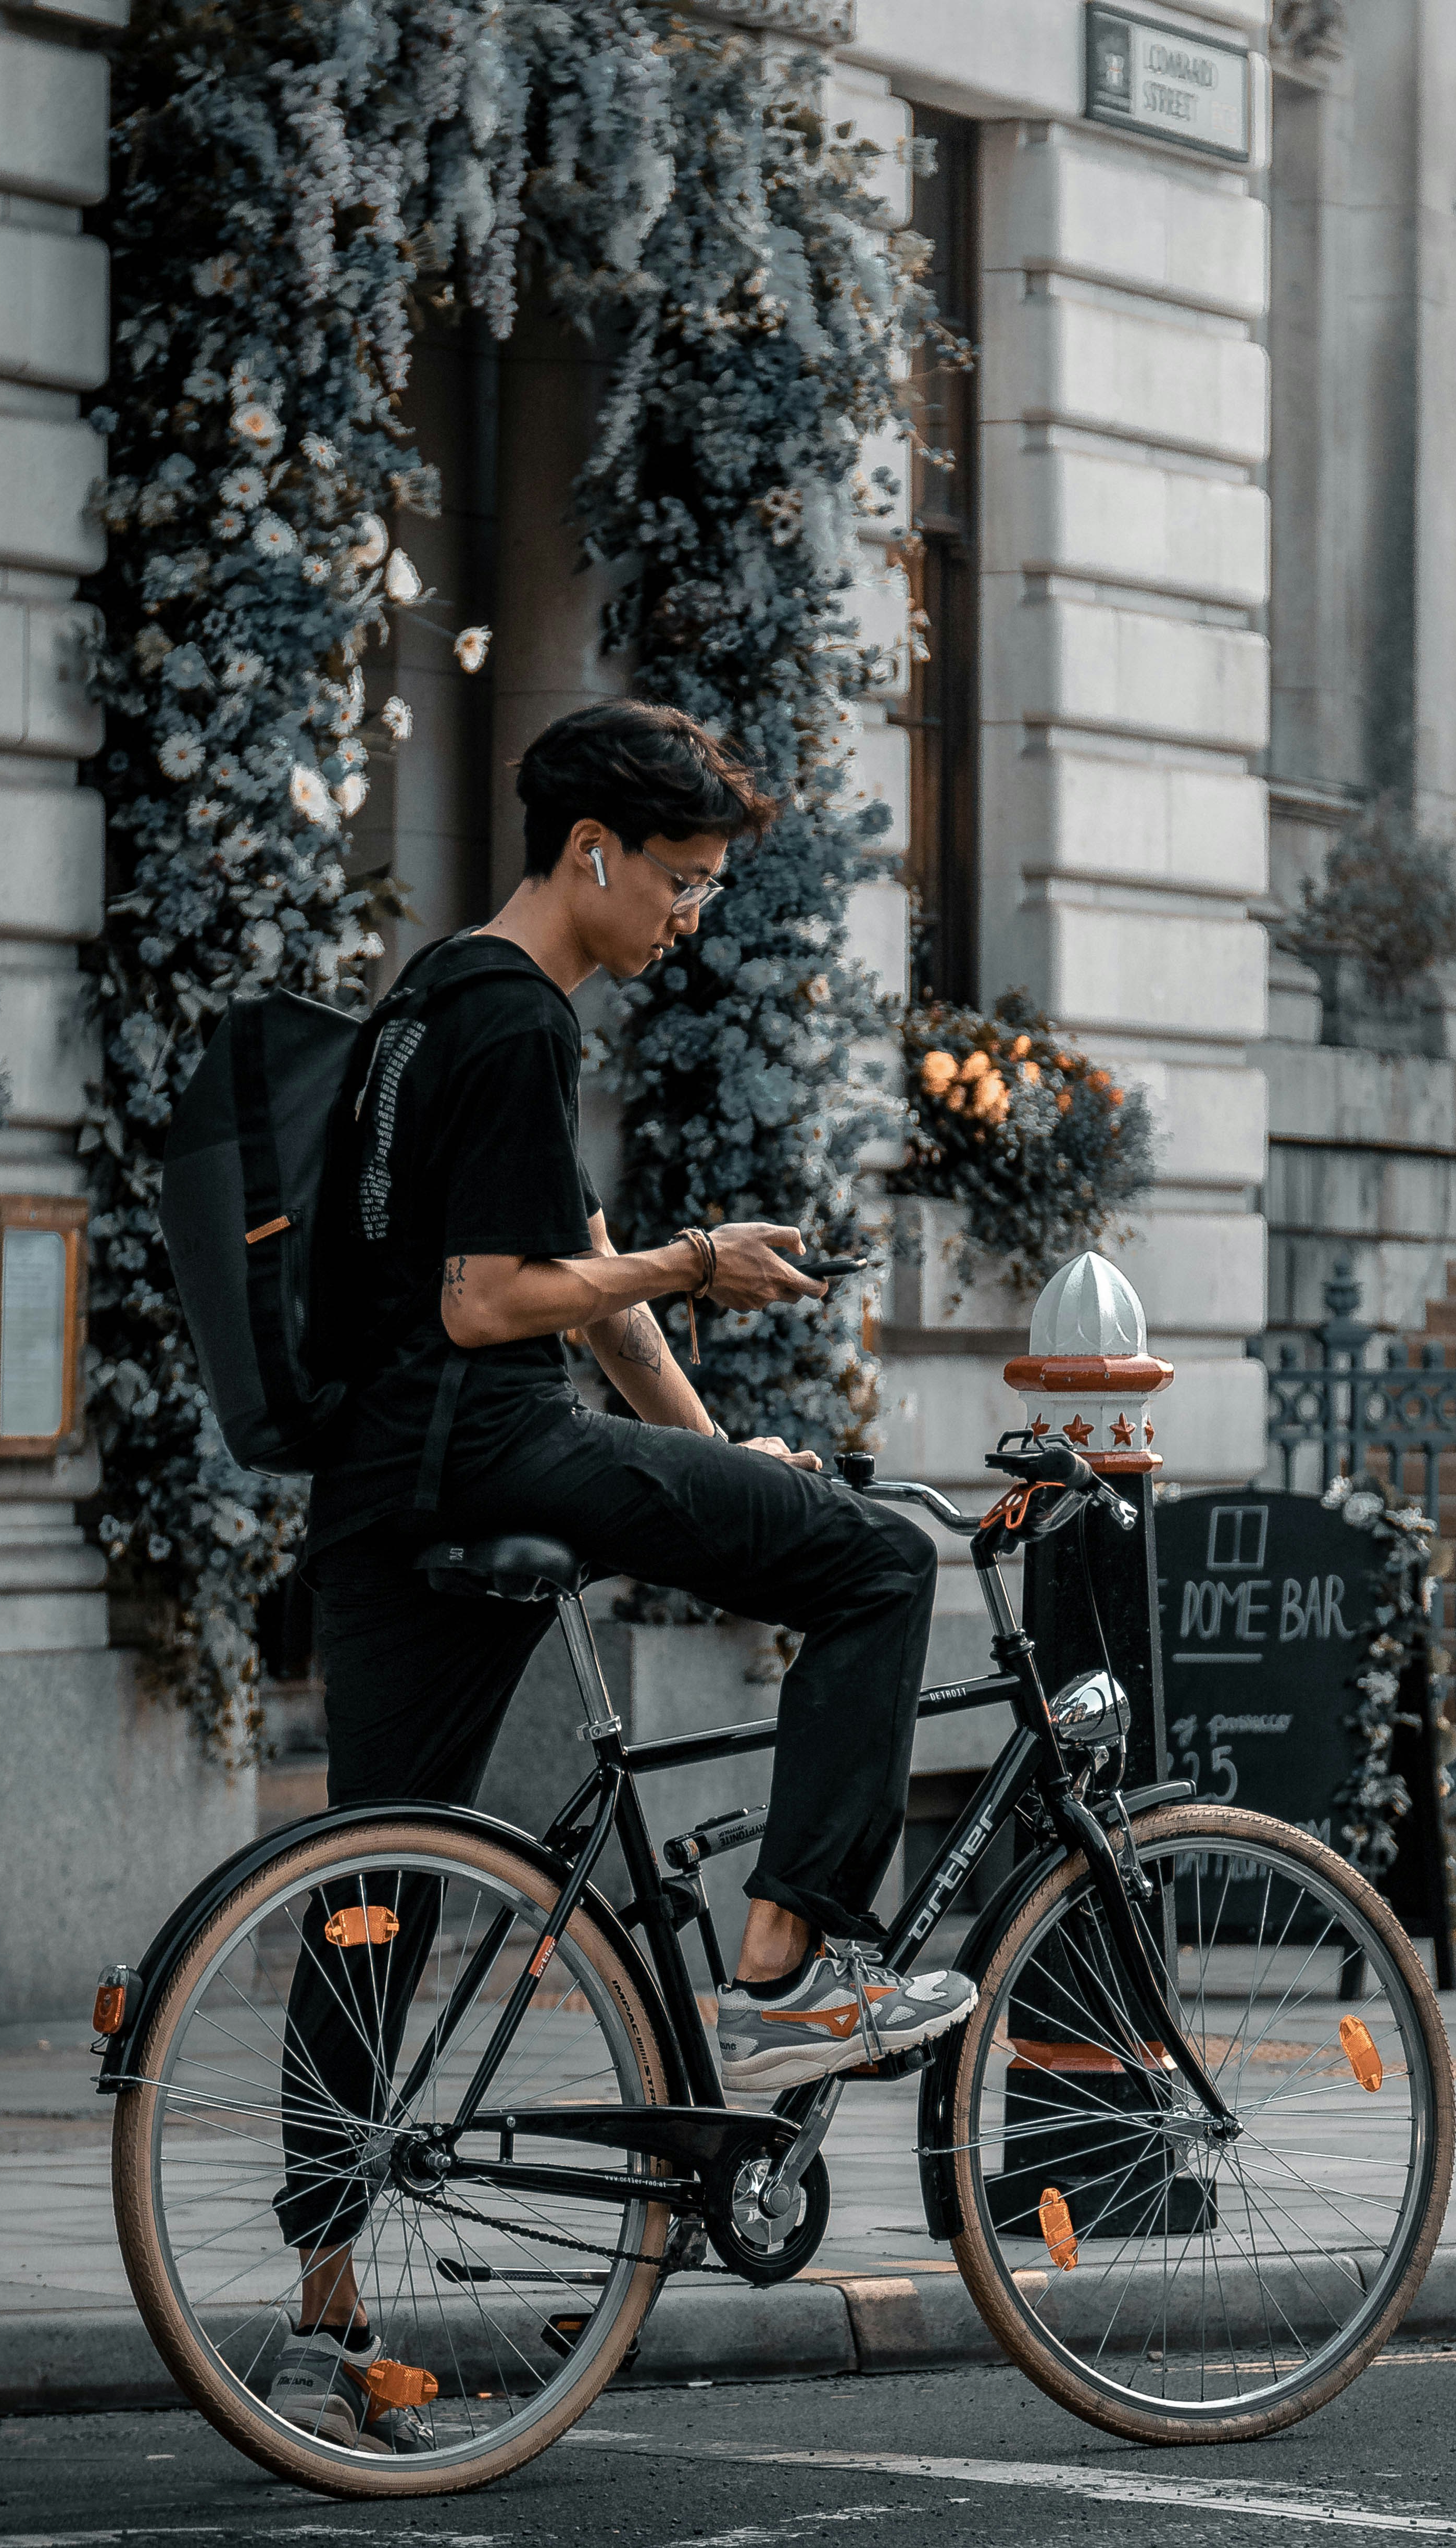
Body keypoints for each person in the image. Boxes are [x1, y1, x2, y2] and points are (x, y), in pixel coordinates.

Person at [266, 699, 975, 2452]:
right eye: (678, 877)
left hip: (378, 1483)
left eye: (710, 884)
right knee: (879, 1569)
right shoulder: (515, 1023)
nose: (691, 913)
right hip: (489, 1437)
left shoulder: (432, 994)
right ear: (589, 853)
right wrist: (703, 1258)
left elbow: (575, 1267)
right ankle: (781, 1975)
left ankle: (320, 2299)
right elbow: (492, 1298)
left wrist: (723, 1441)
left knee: (382, 1870)